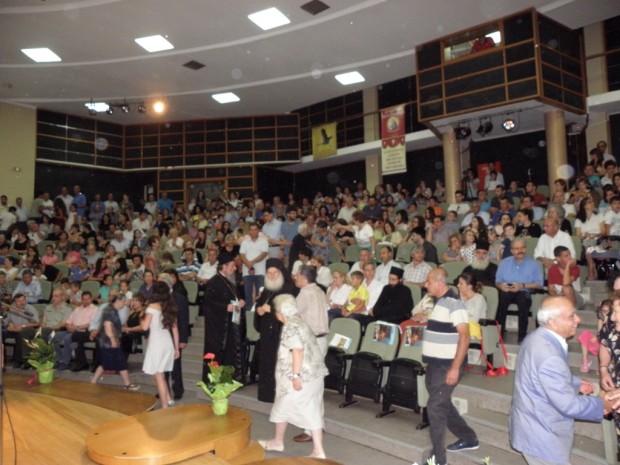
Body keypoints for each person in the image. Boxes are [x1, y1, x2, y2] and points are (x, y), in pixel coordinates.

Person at [510, 296, 613, 465]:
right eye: (572, 316)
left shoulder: (536, 337)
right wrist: (603, 404)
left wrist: (576, 383)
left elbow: (541, 375)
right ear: (553, 322)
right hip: (543, 436)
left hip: (532, 426)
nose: (578, 319)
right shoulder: (549, 354)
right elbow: (569, 405)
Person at [258, 294, 329, 459]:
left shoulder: (290, 326)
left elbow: (297, 350)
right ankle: (279, 442)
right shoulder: (301, 322)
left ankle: (317, 451)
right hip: (314, 375)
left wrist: (296, 376)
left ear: (280, 313)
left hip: (302, 377)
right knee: (289, 408)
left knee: (294, 407)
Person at [422, 268, 478, 465]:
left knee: (435, 406)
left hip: (448, 365)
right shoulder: (439, 302)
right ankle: (468, 437)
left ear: (439, 283)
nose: (425, 285)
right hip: (435, 363)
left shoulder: (454, 304)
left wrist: (455, 368)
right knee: (441, 402)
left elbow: (465, 337)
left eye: (429, 281)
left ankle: (438, 459)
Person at [254, 258, 298, 403]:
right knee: (266, 361)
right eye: (269, 273)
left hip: (281, 332)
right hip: (267, 332)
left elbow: (290, 310)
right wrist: (259, 310)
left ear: (281, 272)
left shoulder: (289, 287)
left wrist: (271, 310)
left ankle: (279, 396)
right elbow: (261, 304)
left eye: (275, 272)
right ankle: (265, 394)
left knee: (279, 362)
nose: (272, 276)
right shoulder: (268, 288)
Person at [202, 252, 246, 382]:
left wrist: (241, 302)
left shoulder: (230, 282)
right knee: (215, 356)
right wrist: (225, 307)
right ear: (224, 266)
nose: (235, 268)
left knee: (229, 354)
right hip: (217, 329)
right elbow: (208, 304)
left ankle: (227, 380)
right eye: (232, 266)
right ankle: (213, 382)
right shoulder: (214, 282)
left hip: (229, 326)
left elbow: (235, 299)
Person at [137, 281, 179, 409]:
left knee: (159, 375)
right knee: (158, 374)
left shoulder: (151, 306)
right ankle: (168, 398)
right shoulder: (169, 307)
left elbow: (144, 327)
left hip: (157, 343)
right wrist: (176, 348)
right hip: (167, 342)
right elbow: (175, 330)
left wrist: (141, 316)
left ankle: (165, 406)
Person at [495, 239, 544, 343]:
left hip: (524, 290)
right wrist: (501, 286)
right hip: (507, 290)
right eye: (517, 249)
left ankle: (522, 337)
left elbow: (540, 284)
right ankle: (498, 335)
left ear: (526, 249)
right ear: (512, 251)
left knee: (523, 301)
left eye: (522, 248)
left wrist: (522, 285)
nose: (520, 251)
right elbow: (497, 282)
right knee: (501, 299)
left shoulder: (534, 264)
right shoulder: (504, 262)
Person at [90, 295, 140, 390]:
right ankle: (127, 384)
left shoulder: (110, 309)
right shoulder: (111, 311)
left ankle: (93, 382)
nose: (125, 304)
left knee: (105, 363)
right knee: (121, 361)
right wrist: (113, 340)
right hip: (108, 342)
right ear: (118, 300)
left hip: (105, 341)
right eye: (124, 301)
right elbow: (107, 325)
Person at [577, 299, 610, 374]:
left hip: (609, 347)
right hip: (600, 344)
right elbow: (600, 333)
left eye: (608, 311)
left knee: (607, 343)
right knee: (585, 334)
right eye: (603, 311)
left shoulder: (615, 320)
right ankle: (585, 361)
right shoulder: (601, 319)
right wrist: (597, 337)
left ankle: (603, 367)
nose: (605, 313)